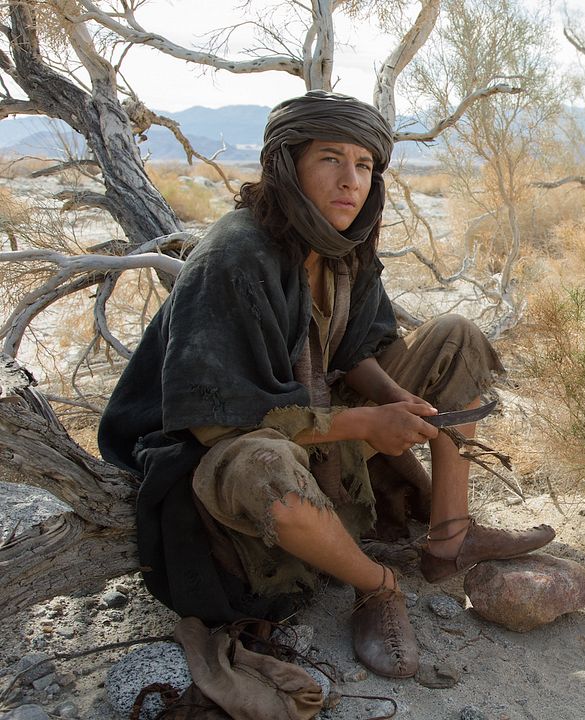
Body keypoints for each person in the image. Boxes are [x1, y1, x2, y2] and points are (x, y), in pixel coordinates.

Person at [98, 90, 554, 679]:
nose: (351, 181)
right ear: (286, 165)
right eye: (330, 159)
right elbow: (217, 423)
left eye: (364, 165)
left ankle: (449, 539)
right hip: (212, 455)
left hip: (315, 421)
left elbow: (352, 346)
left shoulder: (341, 247)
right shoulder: (236, 255)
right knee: (265, 468)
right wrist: (366, 423)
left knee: (457, 335)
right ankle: (378, 586)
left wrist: (392, 396)